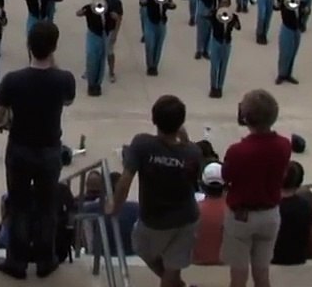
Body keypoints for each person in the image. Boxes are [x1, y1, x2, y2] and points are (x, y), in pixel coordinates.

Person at [0, 22, 76, 279]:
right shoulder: (64, 79)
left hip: (20, 149)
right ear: (54, 47)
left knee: (19, 206)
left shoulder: (13, 80)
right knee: (48, 206)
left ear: (28, 46)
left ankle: (17, 261)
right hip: (49, 150)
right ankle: (46, 260)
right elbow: (68, 100)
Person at [109, 96, 203, 287]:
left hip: (154, 221)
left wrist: (115, 207)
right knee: (173, 267)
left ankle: (172, 282)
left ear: (154, 120)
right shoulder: (192, 152)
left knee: (141, 248)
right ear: (181, 123)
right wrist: (185, 140)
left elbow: (125, 180)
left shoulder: (142, 144)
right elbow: (192, 175)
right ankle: (174, 282)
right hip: (186, 218)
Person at [221, 89, 291, 287]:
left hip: (241, 217)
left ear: (246, 118)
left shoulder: (237, 151)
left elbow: (227, 177)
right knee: (262, 274)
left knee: (238, 277)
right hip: (270, 214)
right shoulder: (284, 145)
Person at [271, 162, 312, 266]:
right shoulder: (305, 205)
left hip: (272, 259)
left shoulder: (270, 206)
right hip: (298, 259)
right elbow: (311, 234)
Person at [192, 162, 227, 265]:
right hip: (225, 268)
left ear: (201, 184)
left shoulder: (193, 210)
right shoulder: (234, 212)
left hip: (196, 266)